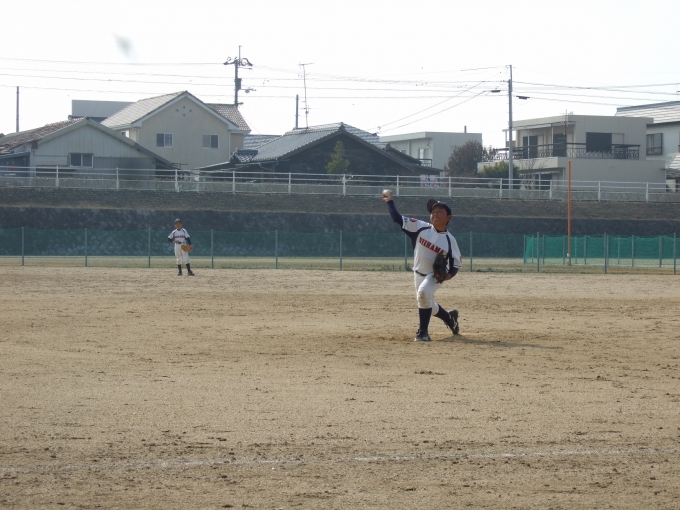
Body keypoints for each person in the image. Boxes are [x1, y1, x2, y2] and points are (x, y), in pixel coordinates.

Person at [382, 190, 462, 341]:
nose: (435, 214)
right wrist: (389, 202)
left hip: (434, 276)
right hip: (417, 273)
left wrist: (448, 275)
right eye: (433, 211)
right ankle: (450, 318)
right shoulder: (420, 227)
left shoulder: (450, 240)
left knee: (423, 293)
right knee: (428, 304)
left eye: (440, 211)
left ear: (449, 217)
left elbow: (456, 264)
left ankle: (423, 333)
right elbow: (397, 218)